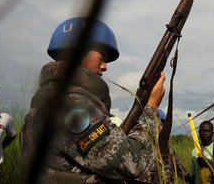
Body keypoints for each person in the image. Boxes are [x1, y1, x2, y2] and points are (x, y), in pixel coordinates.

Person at [20, 17, 166, 183]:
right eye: (102, 57)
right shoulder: (72, 106)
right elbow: (134, 163)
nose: (104, 66)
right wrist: (151, 108)